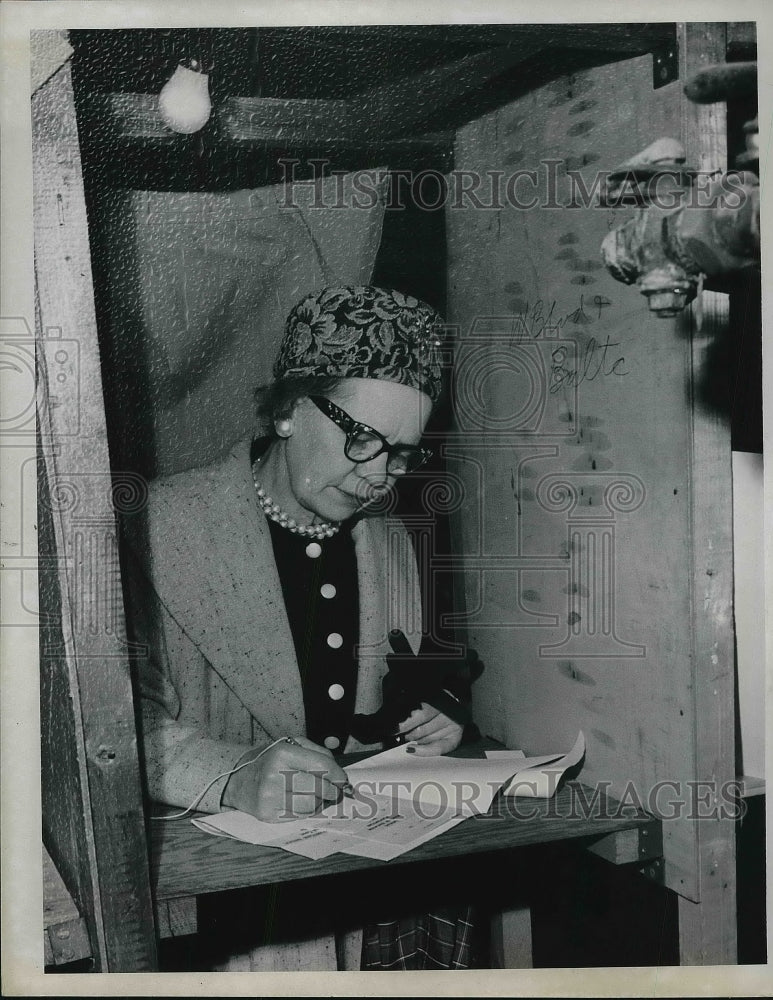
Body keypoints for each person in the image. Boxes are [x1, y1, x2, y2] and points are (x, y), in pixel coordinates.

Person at [122, 285, 482, 970]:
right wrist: (231, 775)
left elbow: (401, 682)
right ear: (289, 408)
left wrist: (437, 714)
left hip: (361, 881)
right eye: (361, 437)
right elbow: (108, 731)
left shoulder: (388, 540)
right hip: (220, 903)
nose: (376, 475)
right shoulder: (154, 529)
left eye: (400, 453)